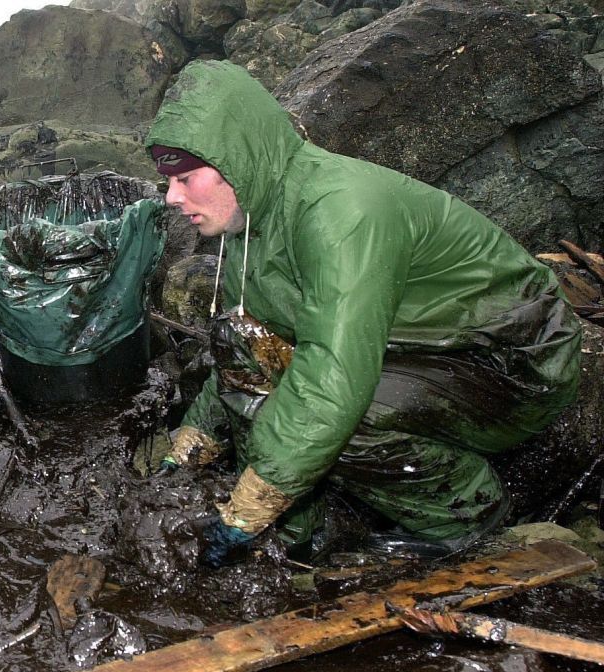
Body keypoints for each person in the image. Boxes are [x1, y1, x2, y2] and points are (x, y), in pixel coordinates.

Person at [147, 61, 582, 565]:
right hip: (418, 340)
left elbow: (332, 379)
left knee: (338, 420)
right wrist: (186, 452)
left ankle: (465, 515)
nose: (173, 197)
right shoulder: (252, 221)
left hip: (514, 358)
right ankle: (294, 532)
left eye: (186, 178)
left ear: (240, 161)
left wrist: (247, 511)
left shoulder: (340, 210)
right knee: (242, 339)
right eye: (166, 182)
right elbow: (241, 357)